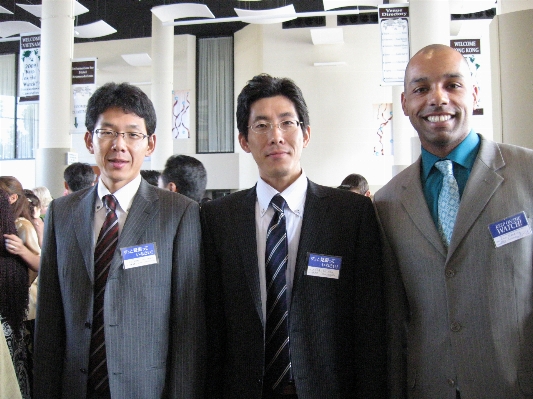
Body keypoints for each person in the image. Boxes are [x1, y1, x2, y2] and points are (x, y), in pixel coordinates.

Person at [201, 74, 386, 399]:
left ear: (306, 134)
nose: (276, 137)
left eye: (287, 123)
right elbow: (213, 326)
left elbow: (369, 325)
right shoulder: (218, 218)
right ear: (244, 140)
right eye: (261, 126)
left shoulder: (351, 215)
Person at [374, 44, 533, 399]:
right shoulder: (385, 203)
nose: (437, 99)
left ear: (474, 94)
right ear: (404, 104)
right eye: (421, 89)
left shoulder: (528, 174)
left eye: (452, 85)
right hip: (428, 388)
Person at [33, 82, 205, 399]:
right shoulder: (62, 212)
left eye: (133, 134)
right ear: (89, 140)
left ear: (150, 144)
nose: (119, 145)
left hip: (145, 390)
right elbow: (50, 318)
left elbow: (187, 325)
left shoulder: (178, 214)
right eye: (108, 132)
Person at [0, 177, 42, 399]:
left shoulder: (21, 224)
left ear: (12, 198)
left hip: (24, 302)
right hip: (11, 301)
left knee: (22, 356)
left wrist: (21, 252)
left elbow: (40, 262)